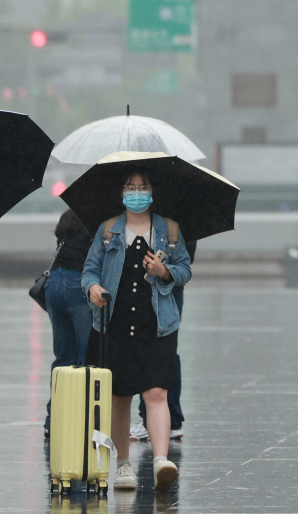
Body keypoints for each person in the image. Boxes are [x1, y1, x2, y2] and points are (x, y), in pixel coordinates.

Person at [84, 170, 191, 493]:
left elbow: (185, 268)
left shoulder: (169, 230)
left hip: (157, 324)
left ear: (153, 192)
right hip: (114, 322)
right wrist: (92, 287)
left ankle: (161, 461)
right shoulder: (107, 231)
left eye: (143, 187)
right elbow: (90, 269)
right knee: (120, 396)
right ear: (121, 193)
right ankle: (123, 465)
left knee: (157, 392)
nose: (137, 193)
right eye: (131, 187)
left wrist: (165, 271)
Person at [131, 233, 195, 444]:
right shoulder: (181, 218)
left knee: (155, 353)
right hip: (168, 287)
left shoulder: (168, 222)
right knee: (166, 354)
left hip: (163, 287)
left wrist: (163, 268)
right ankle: (170, 421)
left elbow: (185, 262)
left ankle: (155, 421)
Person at [45, 208, 94, 440]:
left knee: (63, 359)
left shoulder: (69, 214)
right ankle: (85, 420)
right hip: (79, 284)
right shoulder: (99, 218)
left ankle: (53, 420)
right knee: (87, 359)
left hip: (54, 283)